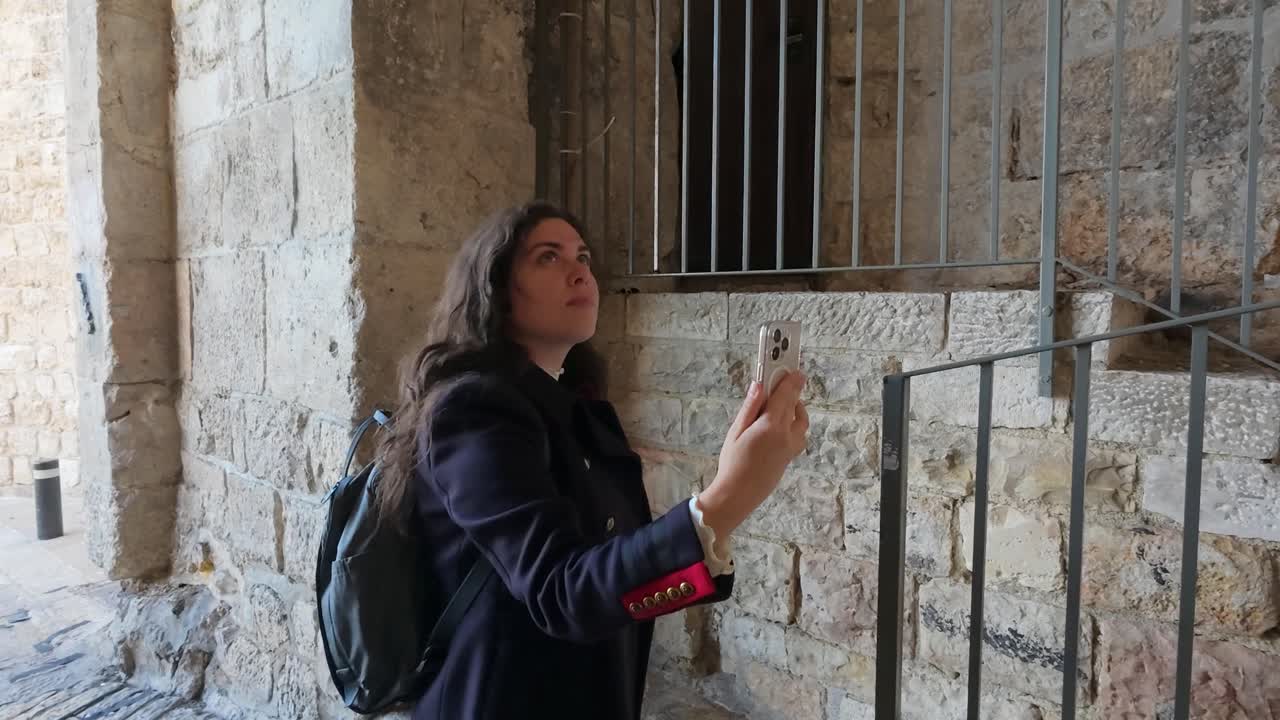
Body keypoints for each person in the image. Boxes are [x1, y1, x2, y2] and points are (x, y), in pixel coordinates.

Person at [374, 202, 809, 719]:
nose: (580, 270)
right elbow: (561, 591)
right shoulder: (474, 412)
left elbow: (616, 567)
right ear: (495, 288)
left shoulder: (579, 410)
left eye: (581, 255)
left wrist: (722, 506)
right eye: (548, 258)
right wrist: (722, 502)